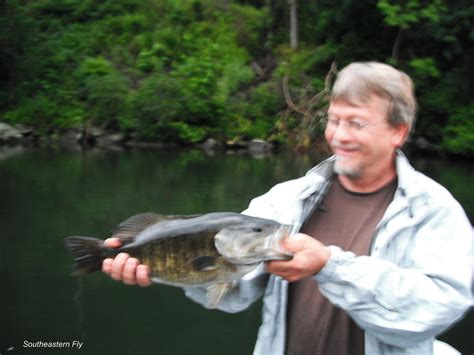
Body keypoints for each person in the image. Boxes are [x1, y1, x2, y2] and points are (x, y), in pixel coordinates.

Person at [102, 62, 473, 355]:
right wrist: (172, 273)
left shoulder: (431, 210)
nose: (339, 136)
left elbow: (432, 310)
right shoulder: (287, 199)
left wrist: (328, 265)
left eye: (356, 123)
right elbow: (232, 293)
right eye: (333, 120)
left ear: (398, 132)